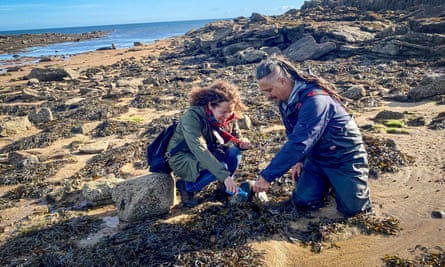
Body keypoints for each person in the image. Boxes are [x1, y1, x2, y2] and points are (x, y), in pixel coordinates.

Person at [252, 55, 372, 217]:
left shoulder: (315, 100)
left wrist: (267, 177)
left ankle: (342, 183)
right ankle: (328, 182)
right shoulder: (284, 101)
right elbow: (292, 132)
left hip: (344, 157)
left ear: (282, 81)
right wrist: (300, 161)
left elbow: (300, 142)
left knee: (354, 211)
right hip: (316, 158)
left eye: (269, 90)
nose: (267, 96)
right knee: (303, 202)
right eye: (264, 92)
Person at [167, 80, 251, 208]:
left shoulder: (227, 115)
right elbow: (200, 150)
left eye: (230, 111)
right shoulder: (191, 117)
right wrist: (225, 175)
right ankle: (187, 187)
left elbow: (235, 136)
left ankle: (224, 186)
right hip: (182, 157)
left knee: (234, 152)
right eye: (223, 112)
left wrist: (242, 142)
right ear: (211, 106)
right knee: (221, 167)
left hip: (210, 150)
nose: (227, 116)